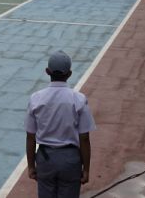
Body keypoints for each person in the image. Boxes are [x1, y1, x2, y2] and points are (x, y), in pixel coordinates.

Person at [24, 51, 94, 198]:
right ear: (69, 74)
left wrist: (31, 166)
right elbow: (84, 138)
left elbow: (31, 137)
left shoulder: (36, 98)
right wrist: (86, 169)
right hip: (70, 160)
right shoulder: (79, 99)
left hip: (45, 158)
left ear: (47, 72)